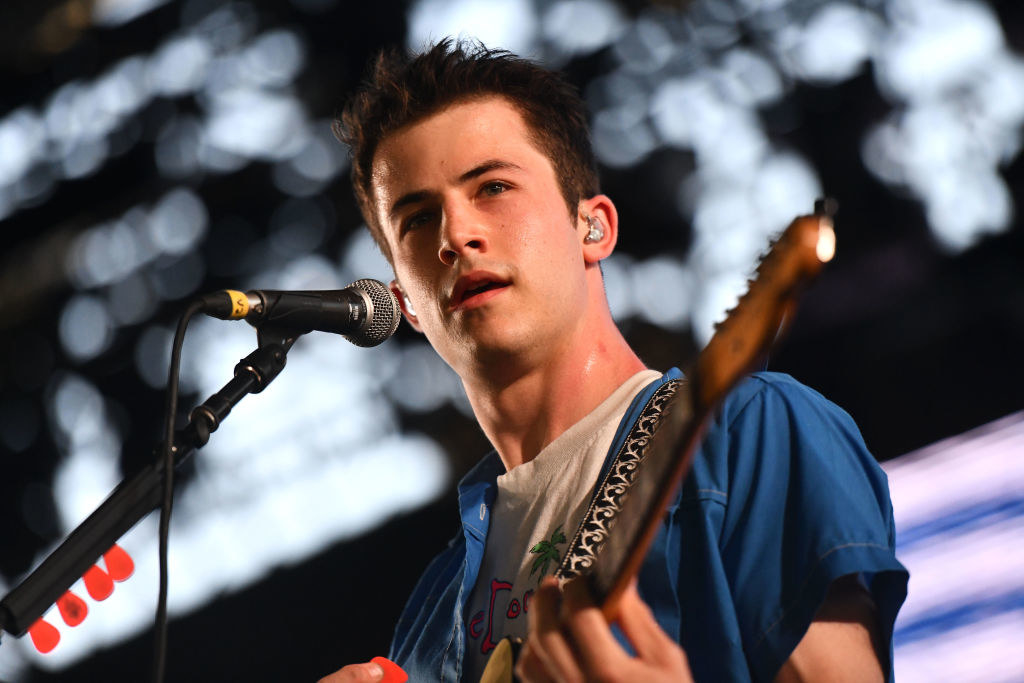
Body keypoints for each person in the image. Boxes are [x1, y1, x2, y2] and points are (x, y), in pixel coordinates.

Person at [320, 40, 908, 682]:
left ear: (592, 228)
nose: (455, 235)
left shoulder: (751, 430)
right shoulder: (431, 615)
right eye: (417, 217)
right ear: (405, 303)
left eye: (493, 187)